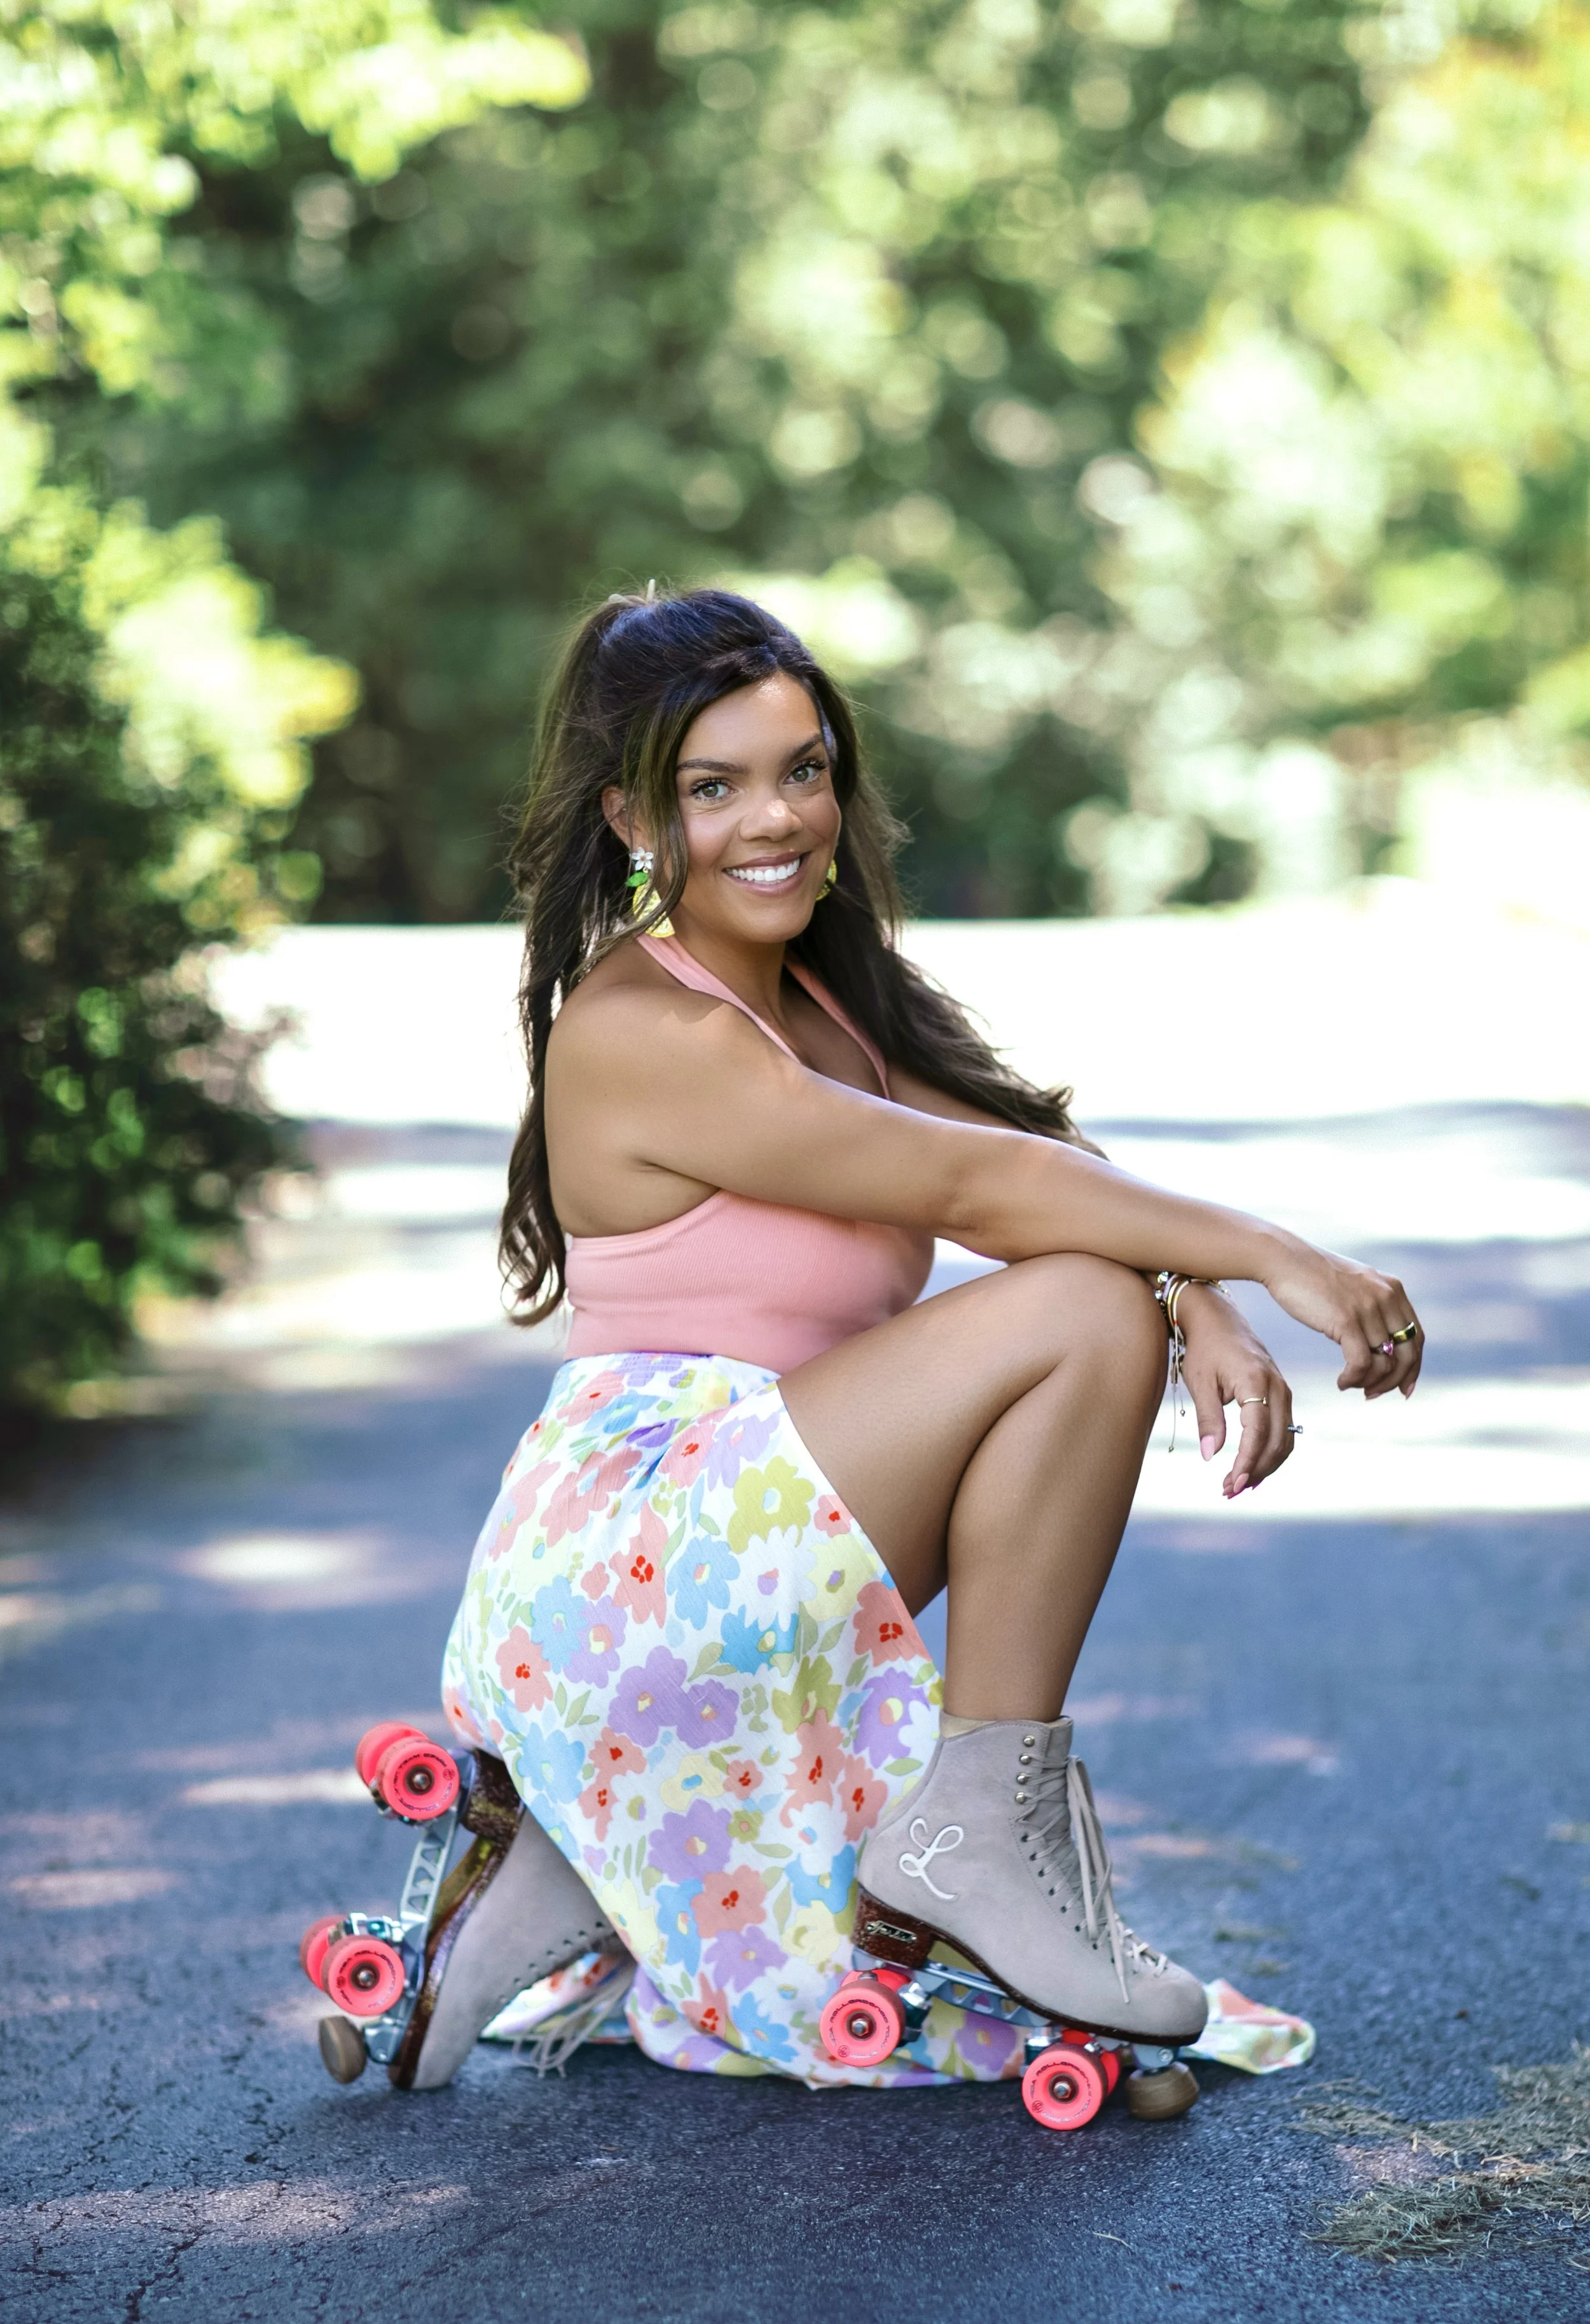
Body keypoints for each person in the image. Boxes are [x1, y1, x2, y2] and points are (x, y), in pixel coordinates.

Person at [399, 587, 1421, 2094]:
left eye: (802, 769)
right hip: (631, 1556)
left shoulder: (822, 994)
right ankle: (973, 1838)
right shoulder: (639, 1030)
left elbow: (1026, 1160)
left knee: (1096, 1292)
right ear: (631, 816)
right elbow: (977, 1188)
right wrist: (1273, 1260)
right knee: (1081, 1311)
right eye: (713, 785)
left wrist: (1188, 1296)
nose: (775, 819)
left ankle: (591, 1856)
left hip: (739, 1541)